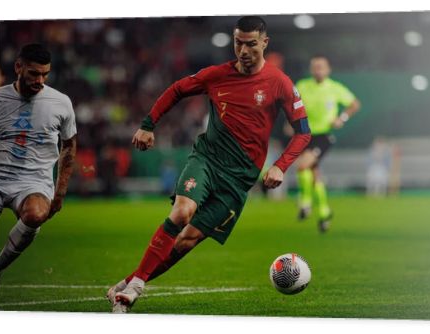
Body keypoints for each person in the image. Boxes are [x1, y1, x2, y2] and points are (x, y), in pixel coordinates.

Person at [107, 16, 311, 313]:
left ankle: (124, 285)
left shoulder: (279, 83)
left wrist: (280, 165)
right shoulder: (217, 75)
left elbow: (304, 132)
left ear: (264, 43)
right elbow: (177, 89)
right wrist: (148, 124)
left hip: (238, 181)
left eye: (251, 44)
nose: (243, 50)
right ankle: (135, 289)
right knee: (182, 212)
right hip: (207, 160)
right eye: (238, 42)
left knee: (186, 242)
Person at [0, 44, 77, 280]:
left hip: (34, 180)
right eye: (34, 73)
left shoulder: (61, 102)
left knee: (36, 214)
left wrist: (60, 193)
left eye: (45, 74)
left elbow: (69, 146)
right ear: (18, 67)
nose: (40, 80)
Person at [295, 56, 360, 232]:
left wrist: (342, 118)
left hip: (324, 136)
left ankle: (306, 203)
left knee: (302, 167)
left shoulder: (334, 88)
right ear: (311, 70)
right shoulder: (302, 86)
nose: (318, 70)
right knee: (314, 173)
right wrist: (289, 122)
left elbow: (354, 104)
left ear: (328, 69)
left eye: (321, 67)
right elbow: (292, 106)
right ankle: (324, 212)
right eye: (315, 67)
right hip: (304, 135)